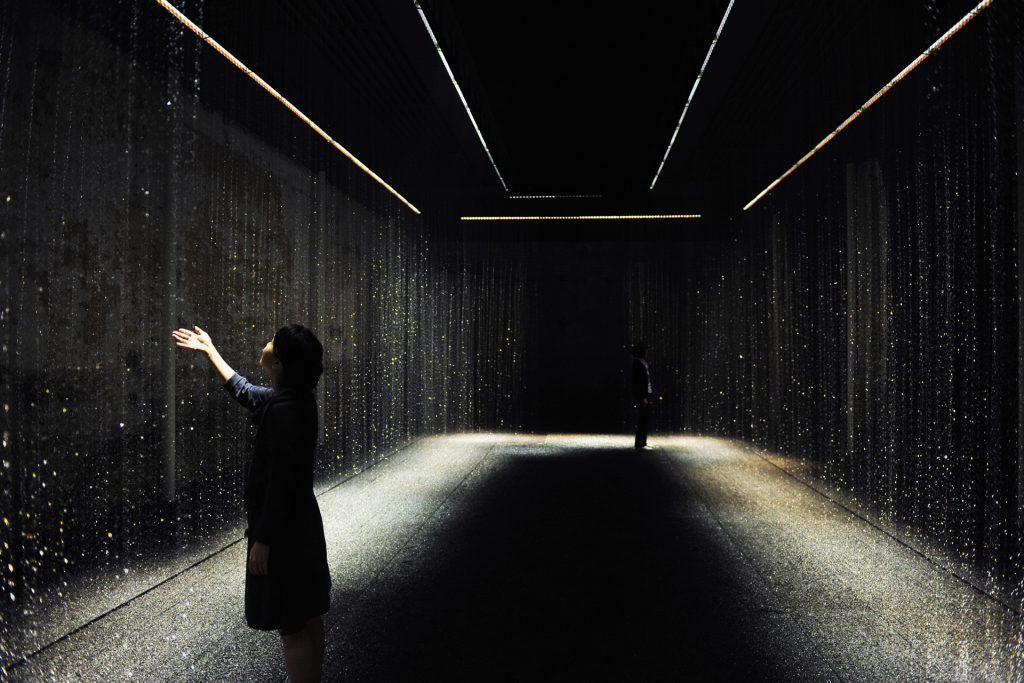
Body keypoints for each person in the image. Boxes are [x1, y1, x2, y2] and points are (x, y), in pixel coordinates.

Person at [171, 323, 330, 683]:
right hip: (302, 524)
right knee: (308, 615)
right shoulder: (294, 400)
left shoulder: (282, 412)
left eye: (274, 342)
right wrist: (210, 350)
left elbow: (279, 484)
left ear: (279, 364)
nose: (267, 343)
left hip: (285, 532)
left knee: (292, 625)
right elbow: (243, 390)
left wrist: (263, 539)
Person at [631, 342, 653, 450]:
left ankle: (642, 442)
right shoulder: (637, 363)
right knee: (643, 418)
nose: (647, 352)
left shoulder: (641, 362)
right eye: (645, 350)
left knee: (645, 418)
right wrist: (643, 396)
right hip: (643, 394)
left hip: (646, 393)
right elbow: (638, 382)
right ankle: (640, 443)